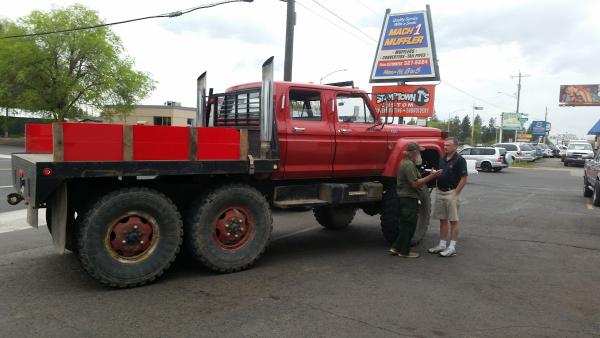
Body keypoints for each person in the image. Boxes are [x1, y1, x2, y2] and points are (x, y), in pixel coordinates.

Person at [389, 142, 442, 258]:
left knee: (405, 224)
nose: (420, 155)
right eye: (419, 152)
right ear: (414, 152)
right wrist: (431, 177)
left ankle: (396, 248)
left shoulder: (405, 163)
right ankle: (404, 251)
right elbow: (414, 184)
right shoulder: (408, 165)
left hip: (405, 197)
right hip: (409, 197)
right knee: (409, 225)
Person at [428, 137, 468, 257]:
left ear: (455, 147)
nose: (445, 147)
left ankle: (452, 247)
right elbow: (438, 171)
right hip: (440, 192)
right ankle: (442, 244)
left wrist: (456, 193)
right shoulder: (442, 158)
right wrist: (433, 173)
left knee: (453, 221)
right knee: (442, 220)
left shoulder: (460, 160)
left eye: (448, 145)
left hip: (451, 193)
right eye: (445, 145)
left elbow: (464, 178)